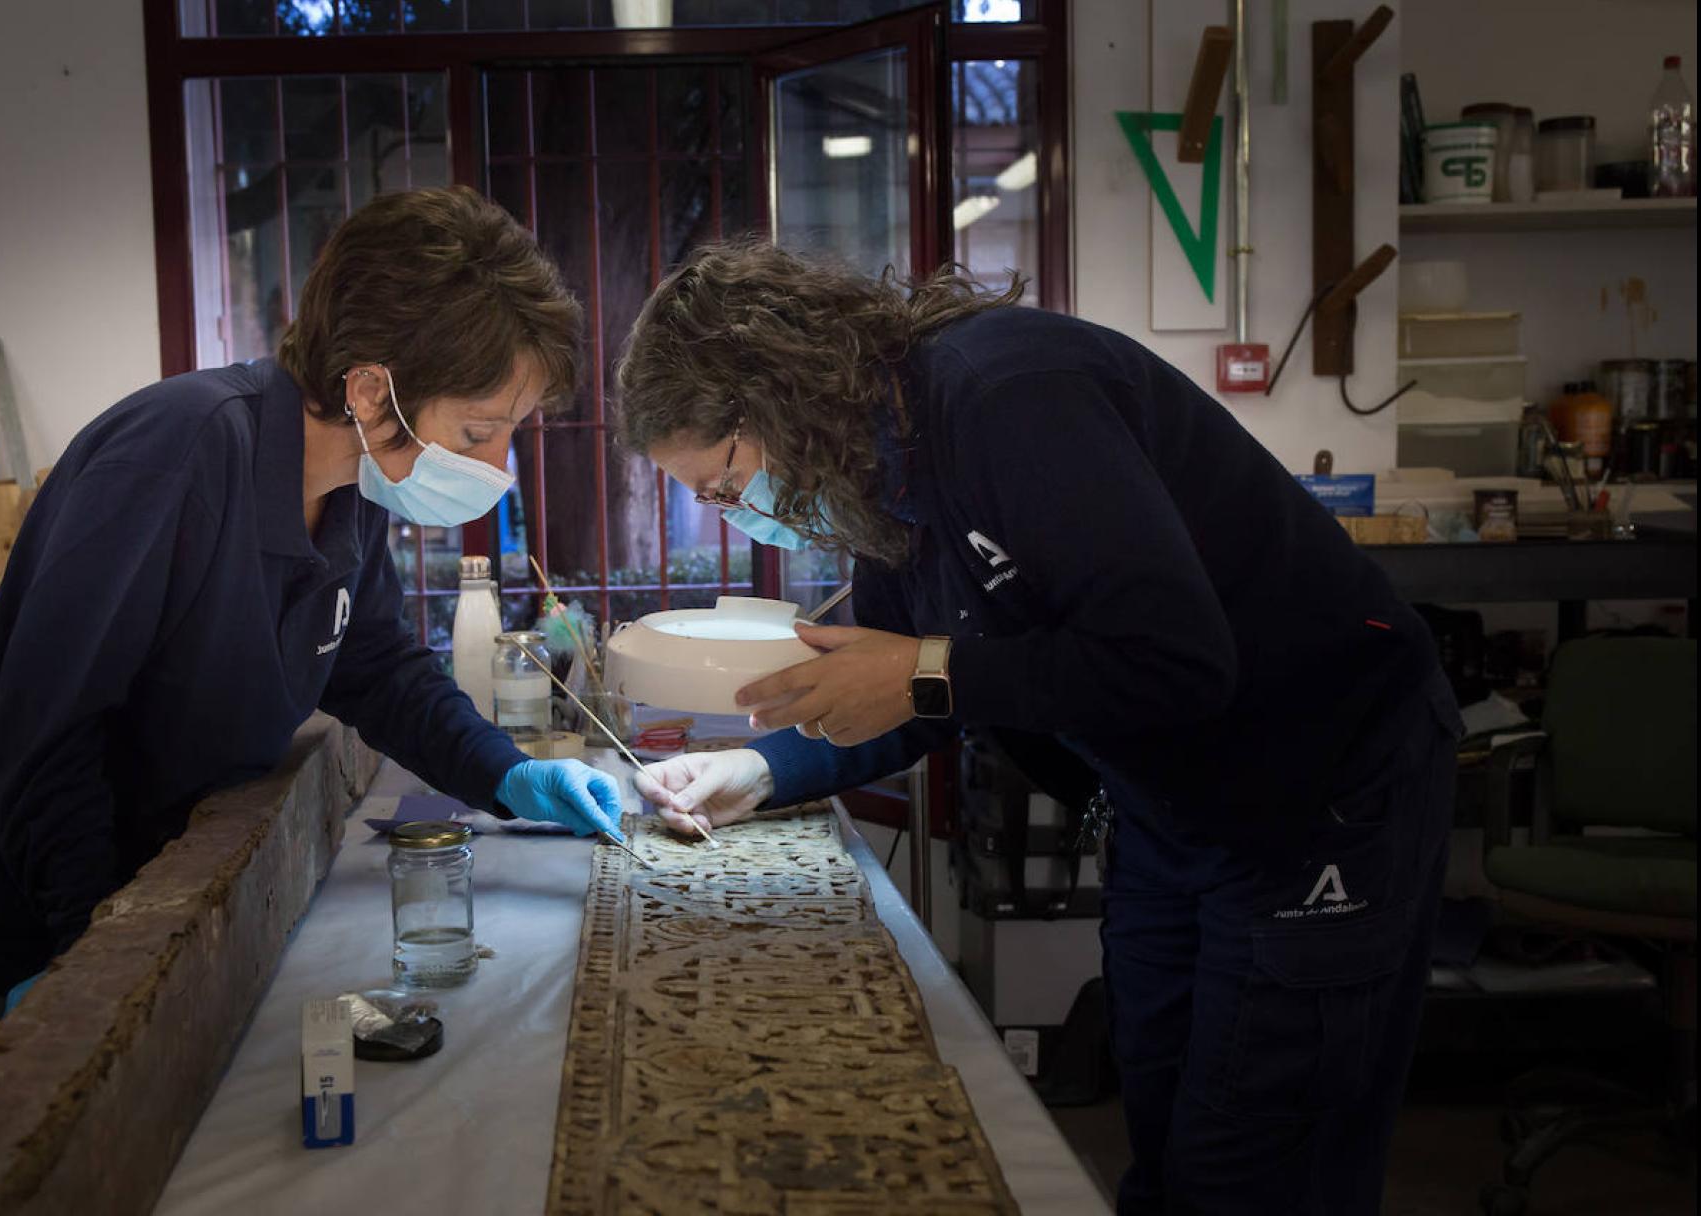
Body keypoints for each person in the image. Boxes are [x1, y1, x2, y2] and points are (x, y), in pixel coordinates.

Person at [621, 242, 1459, 1216]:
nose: (731, 515)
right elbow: (909, 689)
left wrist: (928, 671)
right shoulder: (875, 473)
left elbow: (1175, 658)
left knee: (1256, 1159)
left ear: (779, 394)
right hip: (1171, 804)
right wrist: (758, 770)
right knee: (1162, 1129)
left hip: (1319, 782)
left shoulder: (1008, 398)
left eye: (724, 485)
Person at [0, 187, 626, 1119]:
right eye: (477, 431)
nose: (495, 466)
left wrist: (507, 773)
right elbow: (48, 735)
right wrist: (94, 965)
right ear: (370, 390)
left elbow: (378, 669)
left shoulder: (351, 491)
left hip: (136, 906)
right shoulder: (176, 455)